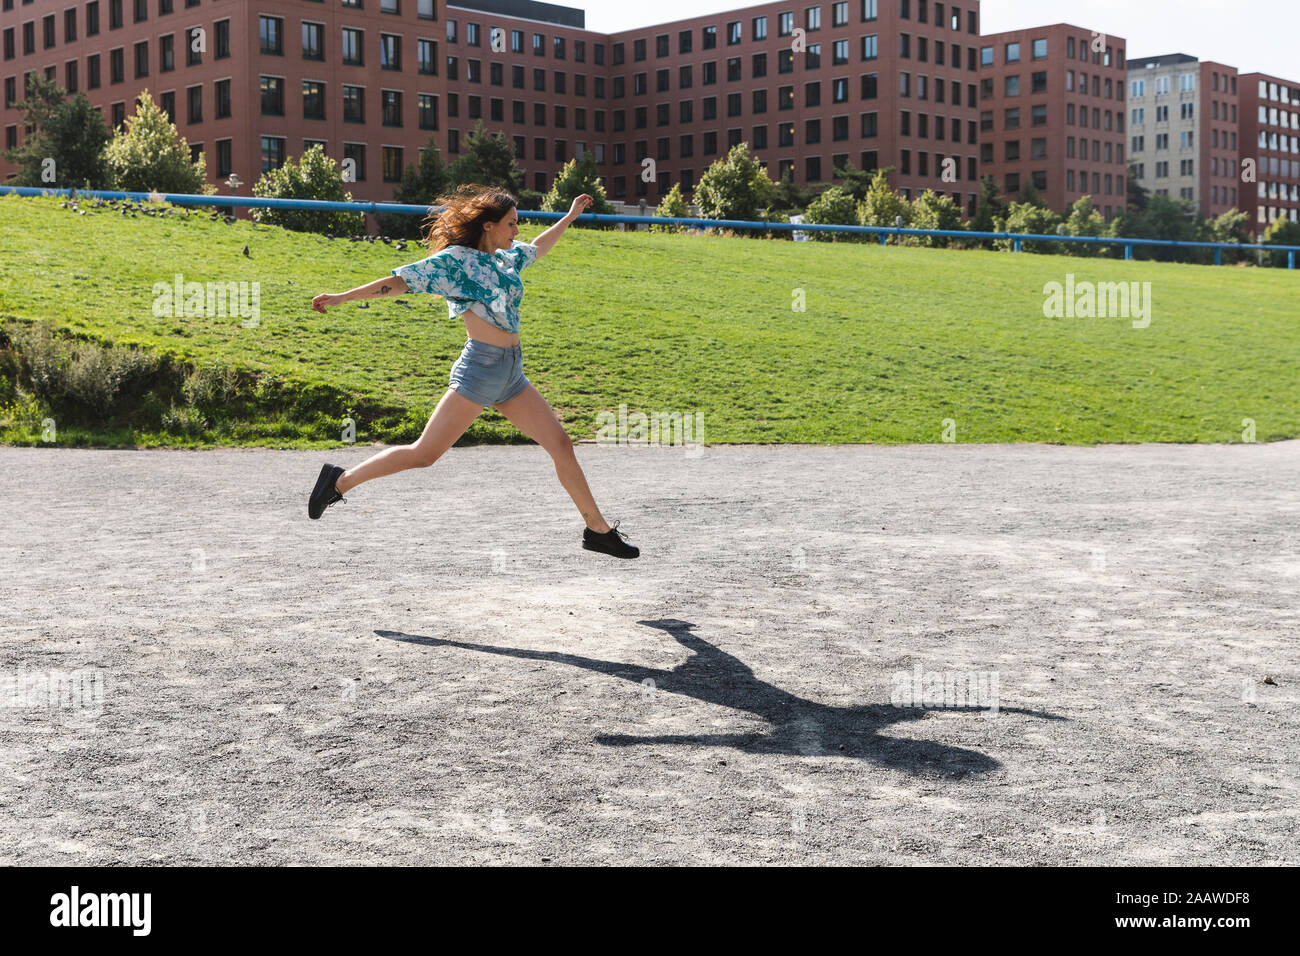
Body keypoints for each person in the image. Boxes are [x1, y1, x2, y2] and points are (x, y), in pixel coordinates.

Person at [306, 184, 638, 559]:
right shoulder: (455, 261)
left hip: (512, 374)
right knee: (424, 454)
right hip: (479, 370)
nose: (516, 231)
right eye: (511, 223)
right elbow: (398, 283)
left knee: (560, 445)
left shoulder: (506, 258)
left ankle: (598, 530)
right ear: (488, 226)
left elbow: (539, 247)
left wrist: (570, 216)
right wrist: (340, 297)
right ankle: (339, 482)